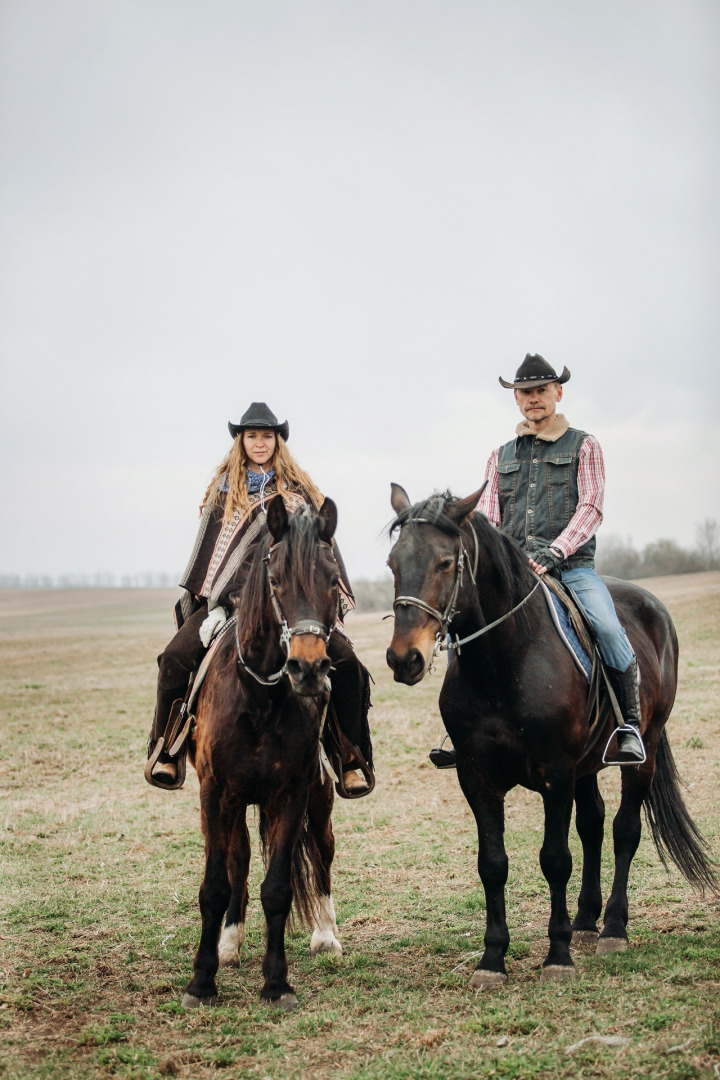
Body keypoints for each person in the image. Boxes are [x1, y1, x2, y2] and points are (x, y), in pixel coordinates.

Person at [146, 402, 373, 793]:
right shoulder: (223, 494)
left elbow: (321, 553)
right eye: (252, 436)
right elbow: (212, 558)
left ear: (278, 441)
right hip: (226, 606)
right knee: (174, 658)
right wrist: (221, 600)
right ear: (241, 441)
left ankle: (348, 754)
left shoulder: (300, 494)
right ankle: (167, 747)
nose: (260, 443)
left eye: (267, 436)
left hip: (293, 609)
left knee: (348, 664)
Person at [432, 354, 644, 768]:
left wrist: (553, 553)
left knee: (606, 626)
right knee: (467, 628)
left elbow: (592, 508)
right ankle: (464, 730)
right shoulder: (499, 456)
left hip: (571, 568)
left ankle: (628, 726)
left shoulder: (585, 445)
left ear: (557, 393)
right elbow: (489, 518)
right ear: (516, 399)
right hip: (514, 577)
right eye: (525, 393)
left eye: (541, 391)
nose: (533, 399)